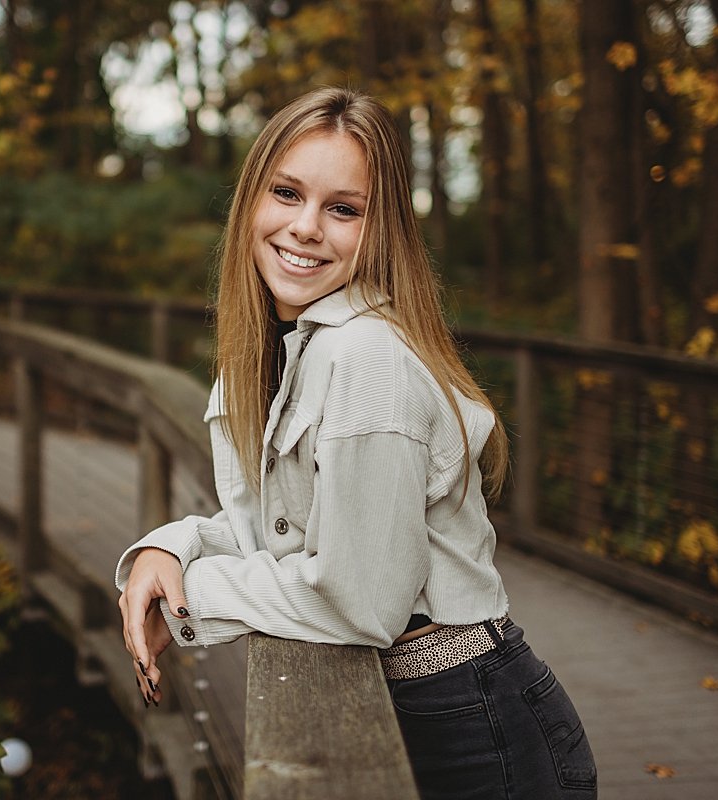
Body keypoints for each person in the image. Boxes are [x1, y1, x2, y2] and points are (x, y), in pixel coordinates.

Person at [116, 86, 597, 799]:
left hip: (476, 726)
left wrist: (193, 598)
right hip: (427, 707)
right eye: (286, 193)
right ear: (250, 200)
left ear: (380, 231)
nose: (306, 226)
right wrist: (176, 547)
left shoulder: (364, 356)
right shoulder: (289, 348)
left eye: (343, 208)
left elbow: (363, 600)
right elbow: (300, 533)